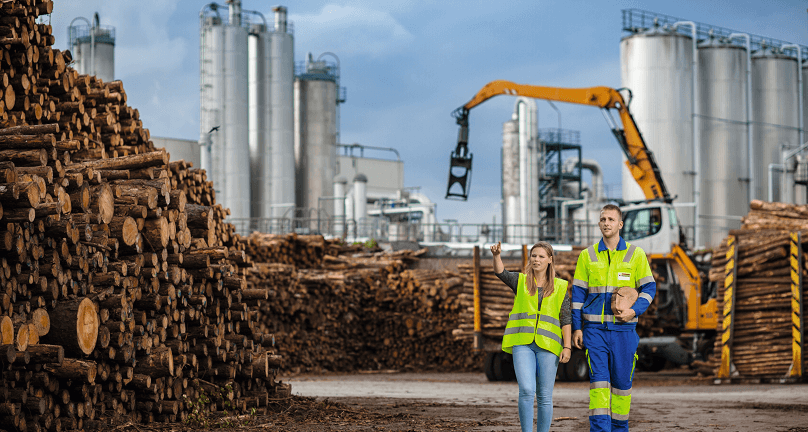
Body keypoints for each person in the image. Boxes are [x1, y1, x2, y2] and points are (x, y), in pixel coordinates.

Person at [571, 204, 656, 432]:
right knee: (599, 384)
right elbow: (578, 295)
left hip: (624, 332)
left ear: (620, 224)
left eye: (610, 219)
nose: (606, 223)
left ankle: (620, 429)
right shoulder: (587, 256)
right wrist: (577, 328)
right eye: (602, 219)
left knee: (621, 386)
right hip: (594, 331)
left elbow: (649, 288)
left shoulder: (635, 254)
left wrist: (633, 311)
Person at [491, 241, 572, 432]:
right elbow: (501, 272)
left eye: (541, 256)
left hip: (548, 345)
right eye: (534, 256)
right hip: (522, 343)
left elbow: (566, 318)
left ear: (550, 260)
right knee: (527, 390)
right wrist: (496, 256)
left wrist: (567, 347)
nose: (536, 259)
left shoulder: (560, 287)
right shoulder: (520, 281)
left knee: (544, 396)